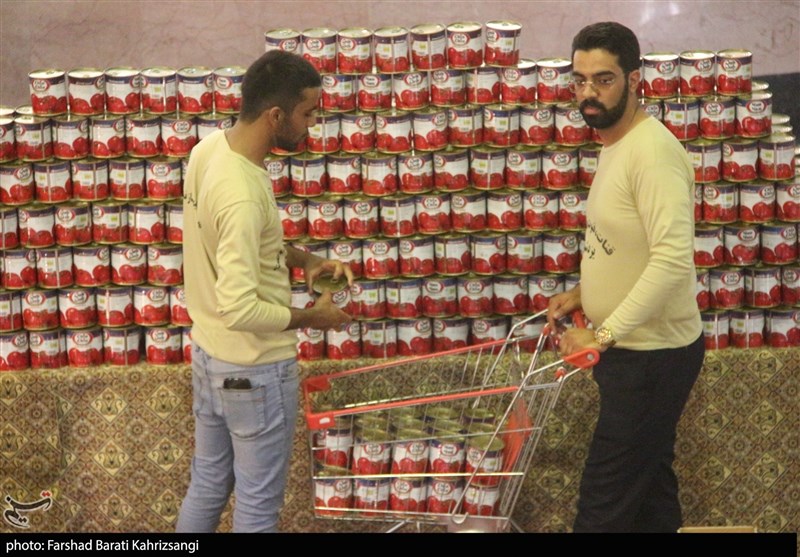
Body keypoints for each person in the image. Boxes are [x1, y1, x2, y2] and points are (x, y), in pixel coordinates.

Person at [176, 50, 353, 533]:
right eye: (308, 113)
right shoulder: (242, 195)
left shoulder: (209, 151)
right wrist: (314, 319)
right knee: (256, 507)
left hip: (209, 354)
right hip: (254, 369)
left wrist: (306, 261)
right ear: (276, 115)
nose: (312, 125)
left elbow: (245, 243)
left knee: (208, 482)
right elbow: (240, 309)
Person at [546, 21, 705, 533]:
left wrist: (602, 335)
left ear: (635, 80)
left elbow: (672, 260)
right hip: (633, 353)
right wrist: (584, 292)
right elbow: (628, 245)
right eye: (580, 80)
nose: (589, 93)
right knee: (650, 495)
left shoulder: (651, 153)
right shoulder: (616, 143)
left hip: (651, 357)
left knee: (602, 507)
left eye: (604, 79)